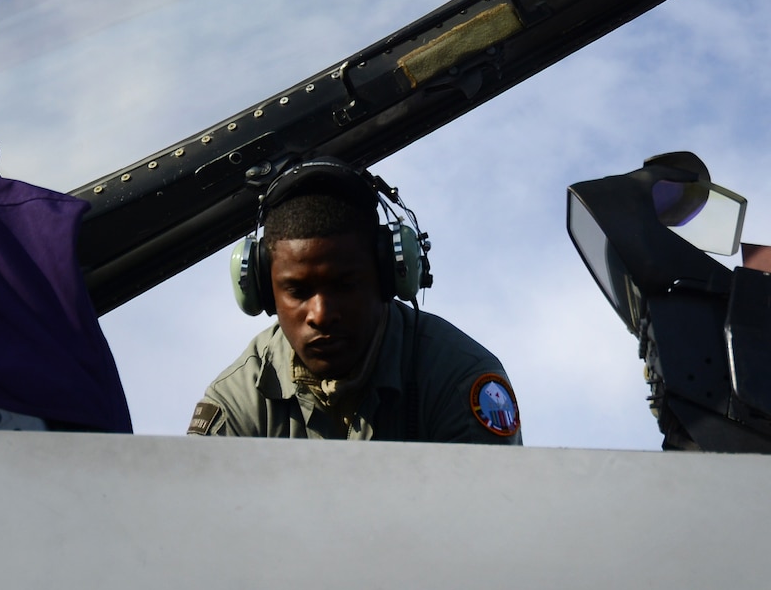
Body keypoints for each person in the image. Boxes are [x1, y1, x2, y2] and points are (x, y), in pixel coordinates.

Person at [186, 159, 521, 443]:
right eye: (298, 291)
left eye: (344, 285)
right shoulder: (237, 400)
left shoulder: (456, 377)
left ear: (387, 277)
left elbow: (489, 514)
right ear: (263, 291)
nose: (321, 314)